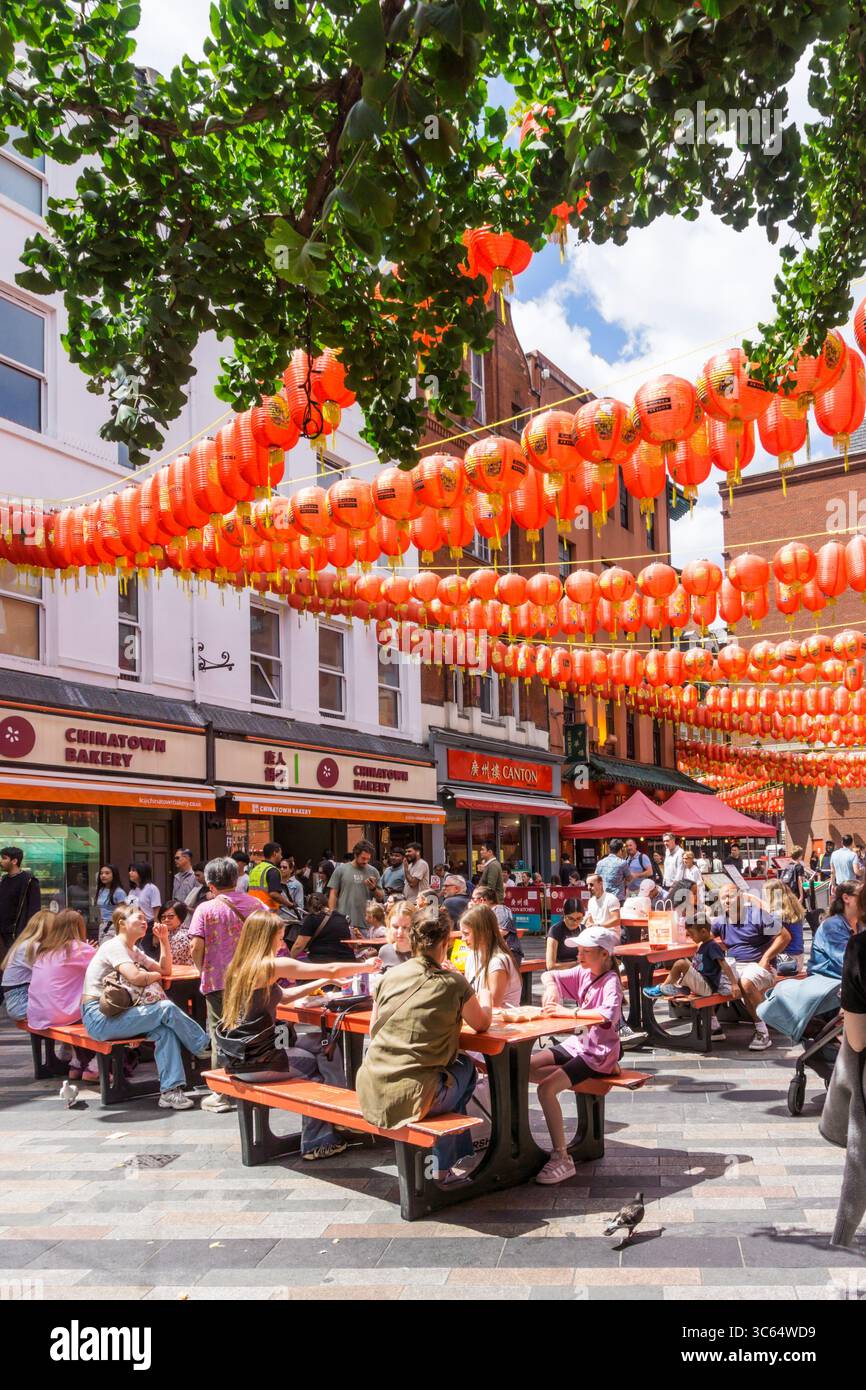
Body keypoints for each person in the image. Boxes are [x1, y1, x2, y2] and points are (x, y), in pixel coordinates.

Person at [218, 910, 376, 1157]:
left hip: (239, 1058)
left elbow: (286, 995)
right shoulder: (269, 965)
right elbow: (333, 968)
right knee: (317, 1061)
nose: (282, 944)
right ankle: (323, 1133)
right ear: (265, 938)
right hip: (257, 1064)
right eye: (279, 938)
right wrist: (365, 966)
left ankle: (339, 1109)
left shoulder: (239, 967)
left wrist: (322, 983)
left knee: (324, 1043)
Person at [356, 903, 493, 1181]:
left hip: (371, 1086)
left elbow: (373, 1030)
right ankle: (441, 1169)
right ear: (445, 943)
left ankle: (445, 1161)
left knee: (445, 1076)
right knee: (464, 1067)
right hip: (415, 1095)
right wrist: (487, 995)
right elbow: (481, 1024)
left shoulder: (388, 977)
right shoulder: (453, 982)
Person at [81, 906, 210, 1109]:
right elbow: (136, 977)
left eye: (145, 919)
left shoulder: (134, 950)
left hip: (119, 1014)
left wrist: (164, 940)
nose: (145, 922)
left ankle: (170, 1091)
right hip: (99, 1017)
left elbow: (165, 969)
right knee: (165, 1008)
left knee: (164, 1031)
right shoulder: (114, 946)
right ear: (122, 923)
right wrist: (155, 976)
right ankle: (203, 1045)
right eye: (139, 918)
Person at [531, 926, 624, 1185]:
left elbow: (606, 1017)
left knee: (546, 1090)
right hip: (577, 1045)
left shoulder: (611, 982)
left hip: (597, 1053)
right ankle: (576, 1075)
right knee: (522, 1068)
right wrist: (551, 990)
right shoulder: (584, 972)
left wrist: (565, 1013)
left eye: (586, 951)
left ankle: (562, 1158)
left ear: (604, 954)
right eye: (579, 951)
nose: (579, 956)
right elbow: (550, 975)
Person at [187, 856, 262, 1098]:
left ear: (211, 885)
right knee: (252, 1028)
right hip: (254, 978)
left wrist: (202, 969)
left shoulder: (205, 909)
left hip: (218, 979)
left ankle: (222, 1091)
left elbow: (195, 946)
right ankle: (254, 1081)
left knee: (221, 1032)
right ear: (236, 878)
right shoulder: (257, 905)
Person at [712, 887, 791, 1050]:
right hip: (734, 966)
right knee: (706, 977)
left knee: (745, 982)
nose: (727, 901)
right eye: (723, 898)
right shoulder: (720, 921)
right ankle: (714, 1027)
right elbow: (704, 939)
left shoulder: (757, 915)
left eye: (731, 897)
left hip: (759, 966)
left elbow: (784, 936)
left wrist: (766, 958)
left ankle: (762, 1032)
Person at [27, 909, 97, 1081]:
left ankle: (76, 1062)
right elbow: (105, 968)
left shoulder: (45, 950)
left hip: (36, 1013)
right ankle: (94, 1065)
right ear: (79, 927)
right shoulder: (80, 949)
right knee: (99, 1005)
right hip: (61, 1014)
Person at [643, 916, 740, 1039]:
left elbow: (724, 964)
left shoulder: (712, 946)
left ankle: (661, 989)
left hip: (707, 986)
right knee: (682, 969)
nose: (690, 938)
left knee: (681, 963)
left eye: (692, 935)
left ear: (704, 932)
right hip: (700, 984)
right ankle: (716, 1030)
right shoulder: (703, 945)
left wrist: (734, 984)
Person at [459, 904, 521, 1007]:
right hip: (481, 1019)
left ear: (483, 933)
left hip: (502, 1021)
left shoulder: (497, 963)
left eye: (466, 934)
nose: (462, 939)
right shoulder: (471, 956)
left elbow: (491, 1007)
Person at [0, 910, 52, 1020]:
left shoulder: (25, 944)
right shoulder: (33, 946)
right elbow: (52, 973)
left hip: (17, 1000)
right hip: (22, 1002)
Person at [809, 881, 862, 977]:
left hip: (846, 982)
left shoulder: (860, 925)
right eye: (862, 896)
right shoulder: (832, 927)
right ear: (846, 898)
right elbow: (848, 962)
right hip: (826, 982)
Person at [327, 840, 380, 932]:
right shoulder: (341, 870)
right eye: (363, 858)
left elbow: (381, 897)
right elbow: (333, 894)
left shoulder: (373, 871)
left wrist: (373, 888)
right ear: (355, 855)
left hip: (366, 923)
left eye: (368, 859)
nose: (366, 861)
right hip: (343, 921)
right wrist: (332, 915)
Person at [290, 892, 355, 963]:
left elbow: (298, 946)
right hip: (348, 961)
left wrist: (289, 961)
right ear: (326, 902)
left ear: (310, 906)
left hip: (322, 961)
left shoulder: (312, 918)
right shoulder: (341, 917)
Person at [0, 847, 41, 954]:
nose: (1, 861)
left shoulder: (29, 881)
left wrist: (29, 933)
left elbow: (34, 910)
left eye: (4, 858)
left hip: (18, 933)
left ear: (14, 861)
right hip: (2, 933)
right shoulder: (3, 880)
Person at [470, 884, 523, 963]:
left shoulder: (500, 910)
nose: (471, 902)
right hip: (491, 953)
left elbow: (502, 931)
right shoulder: (483, 913)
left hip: (507, 953)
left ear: (483, 900)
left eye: (474, 899)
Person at [762, 879, 807, 969]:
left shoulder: (776, 914)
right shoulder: (794, 909)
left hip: (785, 960)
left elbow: (770, 937)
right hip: (798, 956)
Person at [126, 863, 161, 947]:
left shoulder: (151, 888)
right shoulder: (132, 891)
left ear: (142, 872)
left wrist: (156, 935)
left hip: (149, 925)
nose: (130, 873)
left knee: (147, 953)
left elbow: (156, 913)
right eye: (130, 870)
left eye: (133, 870)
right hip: (135, 926)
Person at [247, 842, 289, 912]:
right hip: (267, 913)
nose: (281, 857)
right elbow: (274, 894)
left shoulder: (255, 869)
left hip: (253, 912)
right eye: (280, 853)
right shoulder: (273, 870)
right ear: (275, 853)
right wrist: (289, 904)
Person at [546, 897, 583, 971]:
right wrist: (577, 964)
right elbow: (550, 966)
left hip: (577, 972)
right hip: (559, 973)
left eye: (579, 918)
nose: (575, 922)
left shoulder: (583, 929)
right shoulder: (555, 930)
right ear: (564, 915)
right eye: (571, 918)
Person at [156, 899, 195, 967]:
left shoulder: (181, 937)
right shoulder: (168, 933)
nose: (166, 920)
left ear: (180, 917)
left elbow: (168, 965)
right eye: (163, 917)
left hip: (183, 975)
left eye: (170, 916)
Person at [378, 901, 413, 969]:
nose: (400, 932)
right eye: (395, 927)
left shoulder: (425, 954)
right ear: (389, 926)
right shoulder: (384, 951)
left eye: (405, 927)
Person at [95, 865, 127, 939]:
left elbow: (123, 913)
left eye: (107, 873)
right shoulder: (101, 890)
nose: (103, 875)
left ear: (114, 875)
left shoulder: (119, 892)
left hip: (113, 925)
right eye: (101, 873)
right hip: (103, 925)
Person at [594, 839, 629, 904]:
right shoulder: (622, 863)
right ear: (621, 850)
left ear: (609, 849)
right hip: (617, 899)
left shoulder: (600, 863)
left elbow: (595, 878)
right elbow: (629, 878)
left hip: (603, 898)